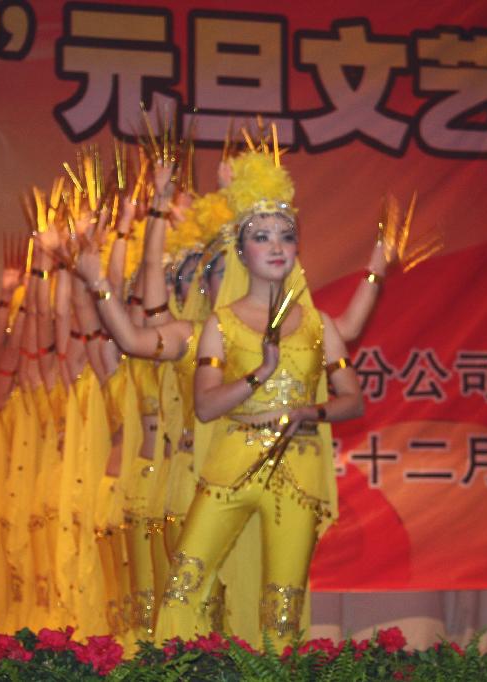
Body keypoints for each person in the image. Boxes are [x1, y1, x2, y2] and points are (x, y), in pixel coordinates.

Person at [149, 150, 364, 650]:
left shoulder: (318, 325)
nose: (275, 246)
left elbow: (353, 400)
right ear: (241, 251)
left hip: (298, 471)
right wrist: (258, 375)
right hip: (232, 464)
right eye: (261, 236)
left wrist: (307, 411)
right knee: (183, 585)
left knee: (282, 607)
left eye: (285, 236)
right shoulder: (220, 325)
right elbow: (206, 406)